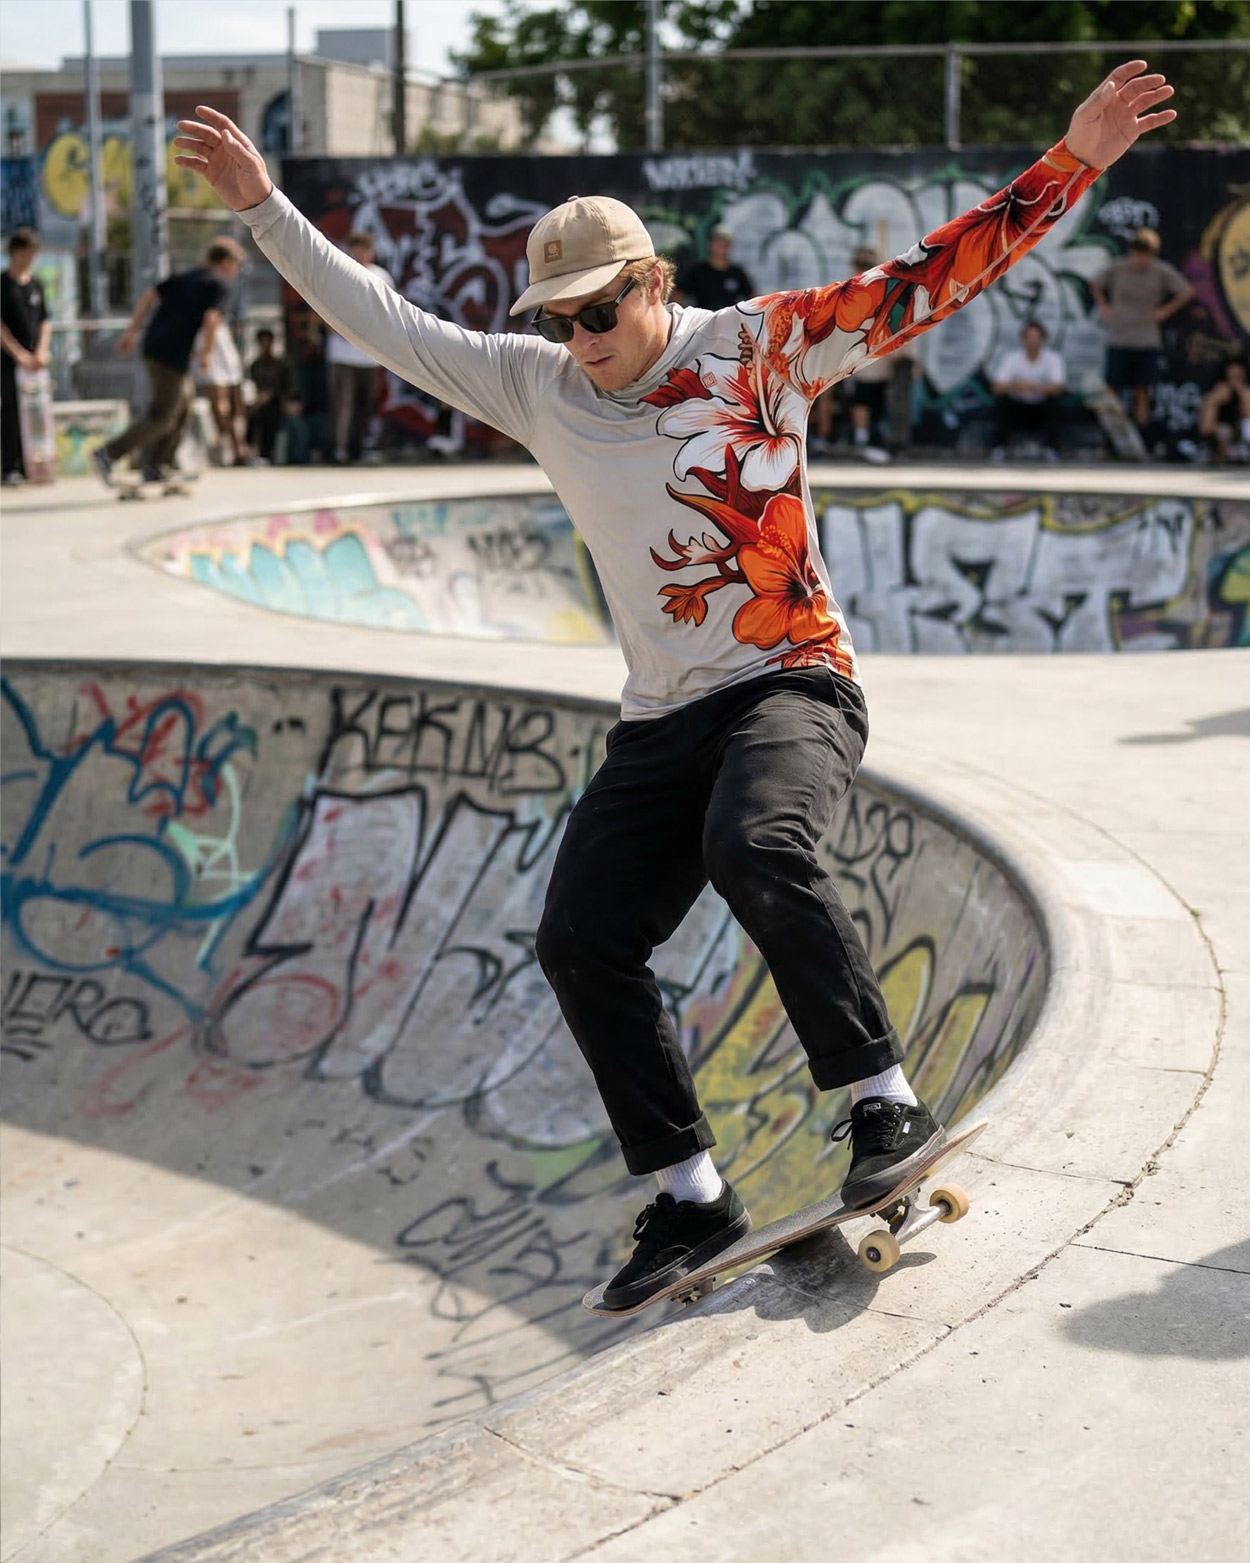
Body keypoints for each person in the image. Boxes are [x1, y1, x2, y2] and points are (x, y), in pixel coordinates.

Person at [174, 60, 1176, 1310]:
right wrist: (267, 208)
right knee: (580, 938)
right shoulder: (535, 387)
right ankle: (692, 1200)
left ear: (652, 282)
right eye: (559, 321)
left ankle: (883, 1105)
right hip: (658, 720)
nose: (580, 344)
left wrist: (1068, 159)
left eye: (599, 313)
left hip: (789, 681)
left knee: (757, 842)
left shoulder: (759, 347)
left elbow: (930, 277)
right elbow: (382, 317)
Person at [92, 238, 245, 486]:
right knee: (163, 415)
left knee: (183, 408)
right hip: (170, 356)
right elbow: (212, 319)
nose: (234, 273)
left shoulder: (186, 277)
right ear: (226, 263)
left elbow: (149, 296)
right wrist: (206, 354)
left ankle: (156, 465)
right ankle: (108, 453)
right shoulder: (217, 286)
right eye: (234, 266)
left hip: (155, 347)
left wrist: (132, 332)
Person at [1089, 226, 1193, 440]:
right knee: (1112, 391)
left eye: (1144, 256)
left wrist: (1165, 311)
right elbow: (1095, 283)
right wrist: (1104, 307)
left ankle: (1142, 438)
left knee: (1141, 391)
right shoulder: (1119, 268)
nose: (1140, 260)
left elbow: (1187, 291)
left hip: (1146, 340)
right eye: (1137, 255)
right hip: (1119, 337)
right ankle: (1112, 439)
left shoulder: (1159, 271)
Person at [325, 230, 393, 463]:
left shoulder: (381, 277)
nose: (360, 254)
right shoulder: (339, 272)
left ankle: (358, 447)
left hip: (370, 354)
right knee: (342, 403)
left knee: (365, 404)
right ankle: (339, 448)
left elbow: (389, 313)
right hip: (343, 354)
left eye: (364, 250)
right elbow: (325, 307)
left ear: (371, 252)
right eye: (355, 249)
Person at [1, 227, 51, 485]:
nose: (30, 258)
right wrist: (18, 354)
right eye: (26, 253)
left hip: (36, 362)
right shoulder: (3, 285)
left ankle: (39, 466)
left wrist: (41, 351)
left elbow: (44, 321)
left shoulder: (36, 285)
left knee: (38, 414)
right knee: (11, 412)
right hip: (10, 362)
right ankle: (11, 466)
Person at [989, 319, 1066, 460]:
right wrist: (1016, 386)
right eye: (1029, 338)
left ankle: (1051, 448)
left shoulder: (1053, 358)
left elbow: (1059, 388)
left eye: (1036, 338)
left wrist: (1034, 387)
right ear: (1023, 339)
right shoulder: (1011, 358)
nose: (1033, 342)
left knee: (1055, 405)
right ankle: (999, 447)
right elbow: (997, 387)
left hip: (1040, 408)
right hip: (1018, 407)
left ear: (1043, 340)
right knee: (1001, 403)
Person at [195, 306, 247, 465]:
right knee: (225, 405)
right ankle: (234, 448)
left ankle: (234, 448)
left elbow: (211, 319)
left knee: (222, 405)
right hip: (218, 354)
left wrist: (206, 353)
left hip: (217, 356)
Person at [675, 223, 755, 312]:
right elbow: (678, 296)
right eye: (718, 241)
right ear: (710, 244)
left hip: (730, 321)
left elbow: (752, 298)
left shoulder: (737, 273)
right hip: (705, 322)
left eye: (726, 241)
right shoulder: (698, 272)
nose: (722, 244)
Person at [245, 327, 294, 462]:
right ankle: (251, 451)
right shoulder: (255, 365)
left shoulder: (280, 365)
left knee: (270, 416)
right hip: (257, 403)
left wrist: (272, 395)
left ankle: (267, 453)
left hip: (276, 402)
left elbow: (287, 386)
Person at [1197, 353, 1250, 464]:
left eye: (1239, 370)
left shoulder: (1246, 391)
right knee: (1223, 431)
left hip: (1244, 439)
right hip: (1223, 439)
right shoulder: (1218, 389)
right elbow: (1205, 428)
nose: (1235, 372)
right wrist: (1214, 400)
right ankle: (1220, 454)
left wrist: (1242, 392)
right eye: (1231, 369)